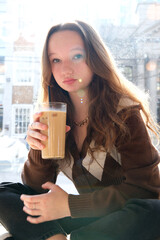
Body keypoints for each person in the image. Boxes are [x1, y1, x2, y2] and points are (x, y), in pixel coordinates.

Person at [0, 20, 160, 240]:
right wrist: (37, 149)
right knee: (4, 192)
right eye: (56, 60)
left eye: (77, 56)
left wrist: (70, 205)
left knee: (154, 212)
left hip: (122, 218)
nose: (66, 69)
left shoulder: (123, 113)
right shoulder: (54, 116)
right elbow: (35, 189)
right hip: (87, 220)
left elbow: (145, 190)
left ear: (95, 58)